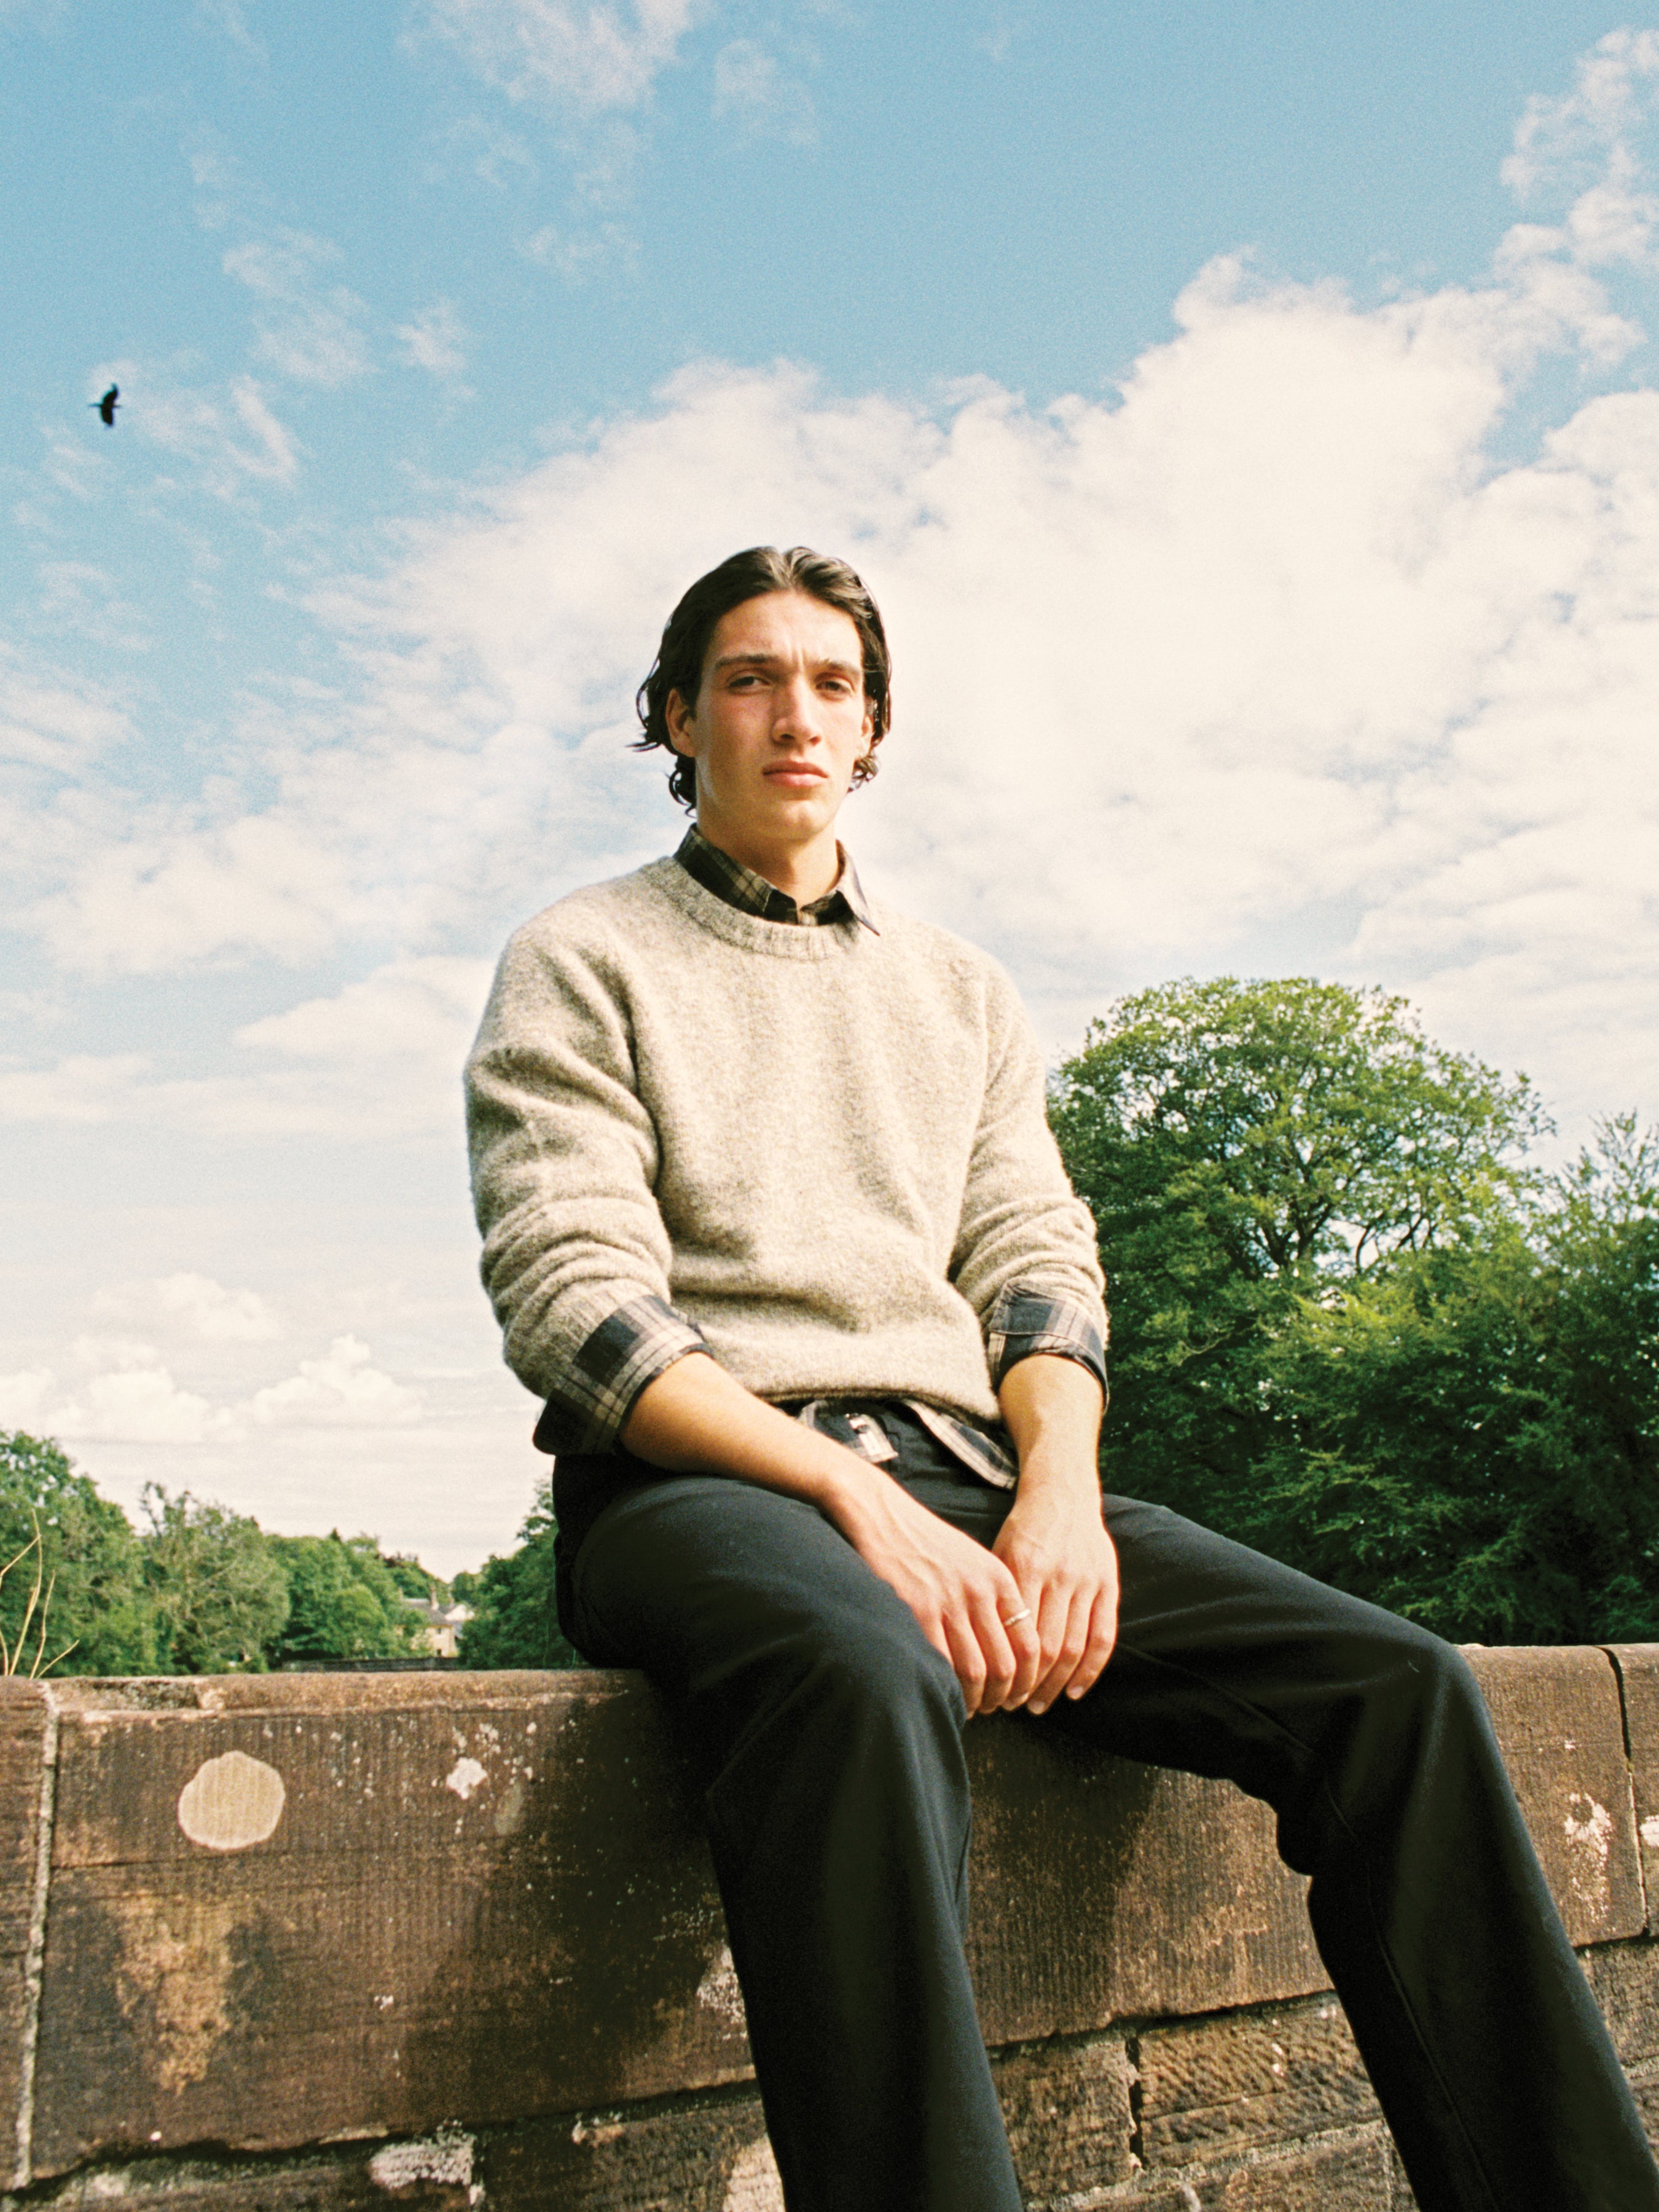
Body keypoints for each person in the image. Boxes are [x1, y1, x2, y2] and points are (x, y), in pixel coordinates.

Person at [465, 545, 1659, 2212]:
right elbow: (573, 1303)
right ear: (676, 715)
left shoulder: (957, 988)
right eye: (746, 678)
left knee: (1399, 1692)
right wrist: (838, 1494)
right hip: (699, 1484)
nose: (790, 712)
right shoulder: (581, 954)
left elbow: (1036, 1265)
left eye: (828, 682)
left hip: (968, 1464)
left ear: (871, 727)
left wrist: (1063, 1502)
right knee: (860, 1671)